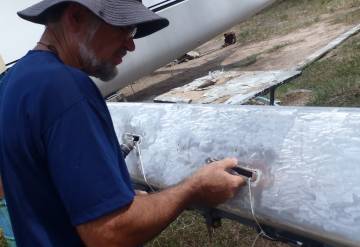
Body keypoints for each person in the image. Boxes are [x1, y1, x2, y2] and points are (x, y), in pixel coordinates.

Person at [0, 0, 246, 246]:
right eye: (123, 28)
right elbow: (108, 233)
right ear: (75, 17)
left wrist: (124, 201)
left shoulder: (15, 81)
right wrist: (193, 189)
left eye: (133, 32)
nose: (131, 45)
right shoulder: (65, 88)